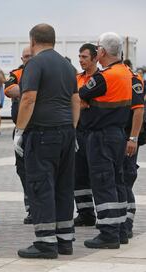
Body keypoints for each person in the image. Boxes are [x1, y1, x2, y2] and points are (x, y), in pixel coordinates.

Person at [14, 24, 80, 259]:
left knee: (41, 186)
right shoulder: (67, 65)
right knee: (63, 187)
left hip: (42, 134)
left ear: (32, 41)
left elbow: (28, 98)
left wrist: (20, 130)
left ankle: (45, 243)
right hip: (65, 132)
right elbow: (75, 100)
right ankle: (64, 240)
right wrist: (72, 130)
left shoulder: (35, 63)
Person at [80, 32, 133, 249]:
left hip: (100, 136)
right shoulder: (126, 72)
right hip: (118, 134)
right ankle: (120, 230)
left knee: (103, 184)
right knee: (117, 182)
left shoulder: (104, 77)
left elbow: (80, 94)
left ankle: (108, 233)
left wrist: (86, 104)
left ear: (101, 51)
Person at [4, 46, 32, 224]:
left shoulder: (44, 72)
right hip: (21, 130)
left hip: (39, 129)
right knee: (23, 170)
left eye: (31, 56)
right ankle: (31, 208)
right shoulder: (16, 73)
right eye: (26, 56)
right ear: (22, 59)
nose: (28, 59)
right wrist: (31, 89)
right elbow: (9, 90)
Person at [73, 43, 99, 227]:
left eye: (85, 57)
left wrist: (79, 102)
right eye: (80, 57)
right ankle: (85, 213)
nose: (81, 60)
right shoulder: (76, 78)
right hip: (78, 131)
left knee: (97, 174)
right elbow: (73, 101)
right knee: (78, 174)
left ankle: (103, 212)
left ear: (95, 58)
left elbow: (87, 102)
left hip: (95, 132)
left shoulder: (101, 78)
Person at [123, 66, 145, 239]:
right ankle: (120, 221)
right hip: (116, 136)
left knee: (126, 179)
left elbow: (138, 110)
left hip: (127, 137)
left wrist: (133, 138)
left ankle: (127, 223)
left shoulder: (133, 78)